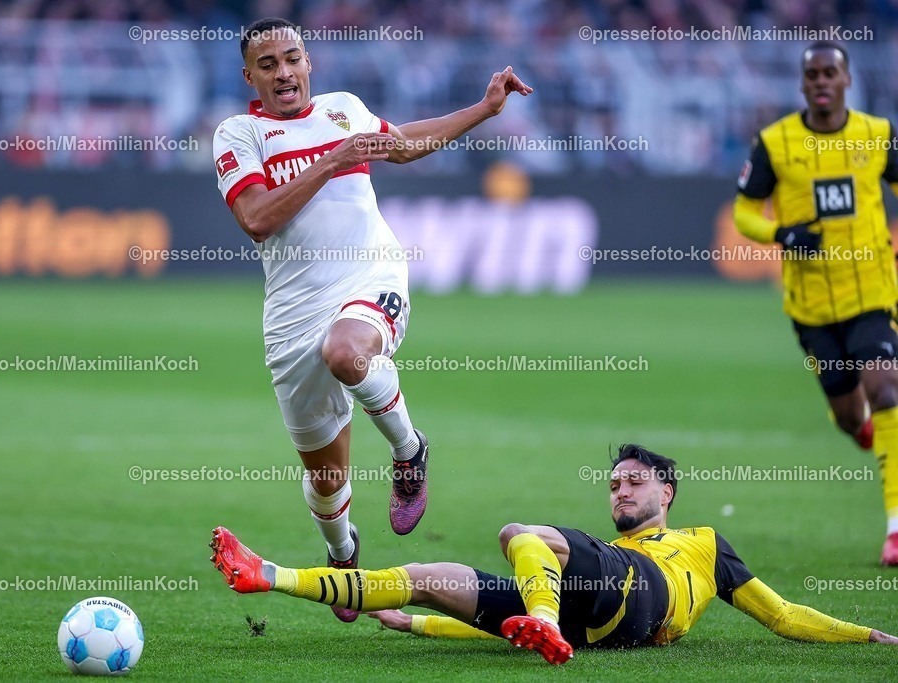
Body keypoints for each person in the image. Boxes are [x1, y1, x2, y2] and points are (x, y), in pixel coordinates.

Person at [213, 16, 534, 621]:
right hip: (291, 311)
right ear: (250, 76)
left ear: (309, 63)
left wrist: (485, 109)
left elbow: (405, 144)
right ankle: (343, 556)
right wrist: (333, 161)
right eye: (269, 64)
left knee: (347, 352)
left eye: (292, 58)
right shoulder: (237, 134)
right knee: (326, 477)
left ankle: (410, 452)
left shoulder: (344, 109)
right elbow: (256, 218)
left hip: (369, 275)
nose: (283, 72)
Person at [210, 444, 898, 665]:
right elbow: (480, 612)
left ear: (668, 489)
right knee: (424, 581)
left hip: (634, 597)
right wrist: (414, 622)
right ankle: (267, 574)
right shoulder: (609, 549)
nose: (620, 489)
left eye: (633, 479)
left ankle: (540, 617)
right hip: (584, 622)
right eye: (613, 483)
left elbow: (780, 615)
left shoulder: (704, 546)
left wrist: (867, 631)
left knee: (519, 533)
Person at [733, 41, 898, 565]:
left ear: (847, 79)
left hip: (872, 293)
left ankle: (896, 526)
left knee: (886, 385)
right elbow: (743, 213)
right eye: (813, 75)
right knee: (851, 416)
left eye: (831, 72)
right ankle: (859, 426)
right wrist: (781, 232)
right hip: (810, 307)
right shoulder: (776, 143)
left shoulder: (878, 134)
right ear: (803, 85)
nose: (822, 81)